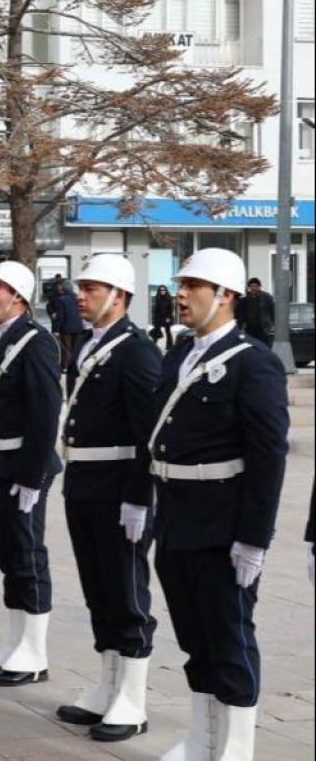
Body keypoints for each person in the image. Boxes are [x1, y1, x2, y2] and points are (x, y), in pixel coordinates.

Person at [151, 249, 287, 760]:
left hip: (222, 524)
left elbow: (268, 456)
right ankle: (202, 739)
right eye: (181, 282)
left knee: (230, 637)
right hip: (177, 516)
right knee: (195, 639)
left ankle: (235, 748)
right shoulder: (179, 355)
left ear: (225, 296)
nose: (181, 293)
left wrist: (254, 538)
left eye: (194, 285)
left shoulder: (254, 364)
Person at [53, 254, 160, 743]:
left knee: (126, 592)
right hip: (86, 483)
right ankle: (108, 684)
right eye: (82, 286)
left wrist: (139, 497)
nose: (82, 295)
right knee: (99, 590)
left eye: (92, 288)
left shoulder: (135, 351)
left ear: (119, 297)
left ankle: (132, 698)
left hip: (119, 487)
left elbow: (147, 433)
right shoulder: (93, 344)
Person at [0, 260, 62, 687]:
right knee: (8, 556)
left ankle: (36, 651)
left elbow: (45, 414)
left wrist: (32, 477)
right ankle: (15, 640)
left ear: (19, 299)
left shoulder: (36, 342)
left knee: (27, 556)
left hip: (20, 465)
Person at [50, 279, 86, 372]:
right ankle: (75, 366)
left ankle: (65, 367)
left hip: (66, 328)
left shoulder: (61, 299)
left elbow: (60, 316)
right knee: (76, 348)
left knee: (66, 348)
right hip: (78, 326)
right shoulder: (77, 297)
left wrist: (55, 329)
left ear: (63, 288)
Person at [235, 276, 275, 346]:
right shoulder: (245, 299)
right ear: (249, 287)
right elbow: (240, 314)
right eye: (252, 286)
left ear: (259, 287)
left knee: (263, 345)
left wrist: (272, 325)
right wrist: (240, 327)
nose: (253, 288)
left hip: (263, 327)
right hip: (250, 328)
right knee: (251, 345)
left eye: (255, 286)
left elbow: (273, 311)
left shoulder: (267, 297)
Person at [152, 285, 175, 349]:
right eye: (161, 290)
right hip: (159, 318)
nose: (162, 291)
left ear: (166, 290)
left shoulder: (168, 298)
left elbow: (171, 309)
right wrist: (154, 320)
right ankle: (153, 345)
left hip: (166, 317)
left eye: (164, 290)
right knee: (156, 331)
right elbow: (155, 310)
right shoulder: (157, 298)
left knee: (168, 331)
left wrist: (168, 318)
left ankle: (169, 345)